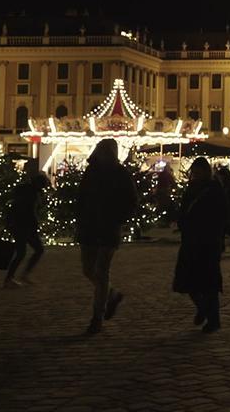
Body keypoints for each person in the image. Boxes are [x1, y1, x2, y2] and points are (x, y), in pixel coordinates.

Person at [76, 139, 140, 334]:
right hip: (89, 227)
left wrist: (118, 218)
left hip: (108, 228)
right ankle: (111, 294)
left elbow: (132, 199)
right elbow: (81, 197)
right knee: (88, 270)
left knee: (101, 271)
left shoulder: (120, 173)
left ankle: (97, 317)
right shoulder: (91, 172)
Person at [173, 157, 228, 333]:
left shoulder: (214, 189)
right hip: (191, 240)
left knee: (209, 283)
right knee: (187, 280)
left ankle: (213, 319)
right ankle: (203, 308)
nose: (195, 175)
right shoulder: (192, 188)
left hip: (208, 241)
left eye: (198, 172)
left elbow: (221, 214)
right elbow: (184, 209)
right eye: (194, 172)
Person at [3, 161, 50, 288]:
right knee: (25, 252)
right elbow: (29, 211)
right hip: (24, 225)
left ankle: (18, 276)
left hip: (19, 224)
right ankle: (13, 278)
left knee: (26, 251)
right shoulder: (31, 194)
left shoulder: (25, 191)